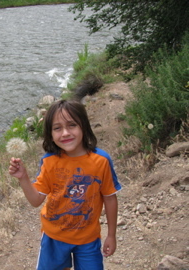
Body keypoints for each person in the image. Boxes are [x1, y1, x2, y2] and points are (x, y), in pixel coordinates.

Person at [8, 99, 121, 270]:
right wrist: (23, 177)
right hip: (54, 238)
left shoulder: (101, 161)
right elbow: (36, 201)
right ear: (50, 134)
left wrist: (111, 235)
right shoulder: (49, 162)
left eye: (72, 125)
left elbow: (110, 198)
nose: (65, 133)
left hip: (88, 239)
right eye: (57, 128)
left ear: (84, 126)